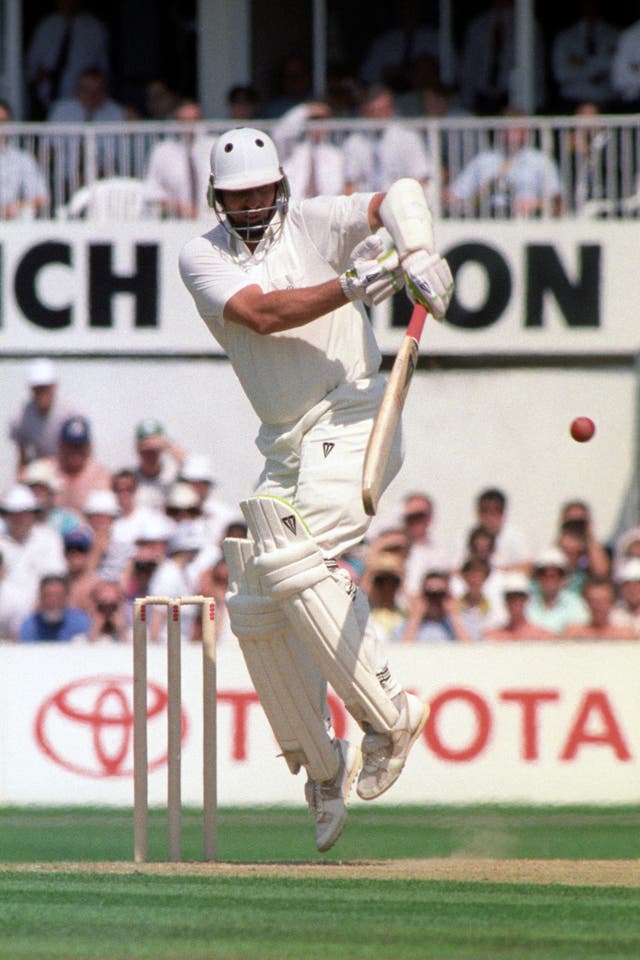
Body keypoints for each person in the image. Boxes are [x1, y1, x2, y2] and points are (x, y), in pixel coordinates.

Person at [179, 124, 454, 851]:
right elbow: (265, 316)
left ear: (280, 186)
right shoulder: (200, 256)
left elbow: (399, 194)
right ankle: (324, 764)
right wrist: (356, 283)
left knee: (293, 560)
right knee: (254, 595)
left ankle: (391, 717)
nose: (252, 205)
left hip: (357, 407)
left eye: (262, 190)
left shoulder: (310, 221)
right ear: (217, 197)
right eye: (237, 196)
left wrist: (419, 250)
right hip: (285, 436)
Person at [444, 107, 565, 219]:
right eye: (509, 129)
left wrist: (534, 204)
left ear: (526, 132)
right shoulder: (484, 160)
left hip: (528, 219)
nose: (513, 135)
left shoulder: (540, 160)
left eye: (517, 130)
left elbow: (556, 200)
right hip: (488, 219)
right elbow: (456, 193)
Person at [0, 483, 67, 638]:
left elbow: (55, 578)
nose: (20, 518)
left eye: (25, 513)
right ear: (7, 515)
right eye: (14, 513)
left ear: (33, 514)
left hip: (39, 619)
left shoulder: (49, 538)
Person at [25, 0, 110, 119]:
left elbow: (103, 68)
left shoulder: (95, 28)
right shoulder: (46, 26)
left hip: (82, 100)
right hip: (44, 98)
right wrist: (36, 74)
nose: (67, 3)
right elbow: (31, 65)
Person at [459, 0, 546, 115]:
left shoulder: (526, 25)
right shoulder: (478, 26)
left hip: (513, 97)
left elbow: (535, 66)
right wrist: (467, 101)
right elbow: (469, 66)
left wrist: (534, 100)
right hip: (482, 97)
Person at [342, 84, 433, 194]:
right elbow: (349, 182)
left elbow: (421, 177)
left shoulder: (408, 138)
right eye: (372, 111)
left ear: (391, 110)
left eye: (382, 110)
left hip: (401, 203)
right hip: (366, 205)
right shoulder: (354, 142)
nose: (378, 116)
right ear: (364, 112)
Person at [47, 68, 128, 191]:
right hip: (65, 180)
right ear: (77, 90)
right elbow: (49, 148)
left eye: (97, 91)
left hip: (103, 181)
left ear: (105, 91)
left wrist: (96, 176)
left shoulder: (117, 113)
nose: (91, 95)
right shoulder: (61, 110)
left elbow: (118, 155)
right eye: (86, 90)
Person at [143, 99, 216, 219]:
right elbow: (151, 190)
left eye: (194, 121)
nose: (189, 127)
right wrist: (177, 206)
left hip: (211, 220)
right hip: (176, 221)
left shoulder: (214, 147)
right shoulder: (162, 151)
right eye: (184, 122)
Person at [550, 1, 620, 112]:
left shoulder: (614, 35)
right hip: (572, 100)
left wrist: (582, 63)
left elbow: (618, 70)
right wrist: (601, 63)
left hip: (607, 101)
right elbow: (561, 74)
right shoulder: (565, 38)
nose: (590, 7)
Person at [9, 357, 77, 470]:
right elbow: (22, 457)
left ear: (54, 387)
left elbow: (83, 450)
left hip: (67, 469)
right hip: (39, 471)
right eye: (37, 388)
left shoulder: (71, 413)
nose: (42, 392)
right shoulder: (21, 418)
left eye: (45, 387)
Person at [272, 101, 345, 199]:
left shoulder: (335, 154)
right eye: (313, 120)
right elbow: (280, 134)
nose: (317, 126)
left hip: (325, 206)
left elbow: (337, 187)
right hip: (296, 203)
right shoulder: (293, 150)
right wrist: (305, 110)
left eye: (322, 122)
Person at [392, 569, 474, 643]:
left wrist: (454, 615)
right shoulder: (403, 626)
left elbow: (471, 650)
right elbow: (403, 651)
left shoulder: (464, 624)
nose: (435, 599)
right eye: (430, 594)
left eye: (440, 594)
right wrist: (415, 616)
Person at [0, 100, 50, 219]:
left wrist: (15, 207)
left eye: (2, 122)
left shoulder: (22, 159)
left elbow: (42, 198)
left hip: (13, 226)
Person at [54, 415, 112, 514]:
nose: (75, 451)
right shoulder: (47, 470)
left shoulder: (101, 476)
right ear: (61, 446)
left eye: (80, 446)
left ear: (89, 447)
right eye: (70, 445)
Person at [526, 546, 590, 634]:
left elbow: (579, 631)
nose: (549, 578)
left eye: (556, 574)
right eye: (543, 574)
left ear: (564, 578)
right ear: (537, 577)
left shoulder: (575, 603)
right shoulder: (526, 602)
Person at [129, 418, 185, 511]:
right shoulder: (130, 479)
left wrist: (167, 445)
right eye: (145, 450)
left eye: (154, 450)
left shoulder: (172, 474)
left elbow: (192, 466)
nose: (150, 454)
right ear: (137, 449)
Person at [482, 571, 556, 641]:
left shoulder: (542, 636)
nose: (515, 601)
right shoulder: (493, 637)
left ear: (527, 599)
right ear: (505, 600)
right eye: (510, 597)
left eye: (520, 596)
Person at [19, 573, 91, 642]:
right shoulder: (29, 626)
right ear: (40, 597)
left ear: (67, 597)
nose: (53, 601)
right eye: (48, 596)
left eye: (58, 596)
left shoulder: (81, 623)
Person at [562, 576, 637, 640]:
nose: (598, 606)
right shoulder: (573, 634)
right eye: (593, 600)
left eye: (604, 601)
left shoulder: (625, 635)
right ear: (586, 603)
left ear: (612, 603)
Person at [87, 578, 129, 642]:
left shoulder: (132, 634)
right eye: (102, 607)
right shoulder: (80, 633)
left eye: (113, 607)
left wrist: (122, 632)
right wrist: (94, 632)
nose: (108, 612)